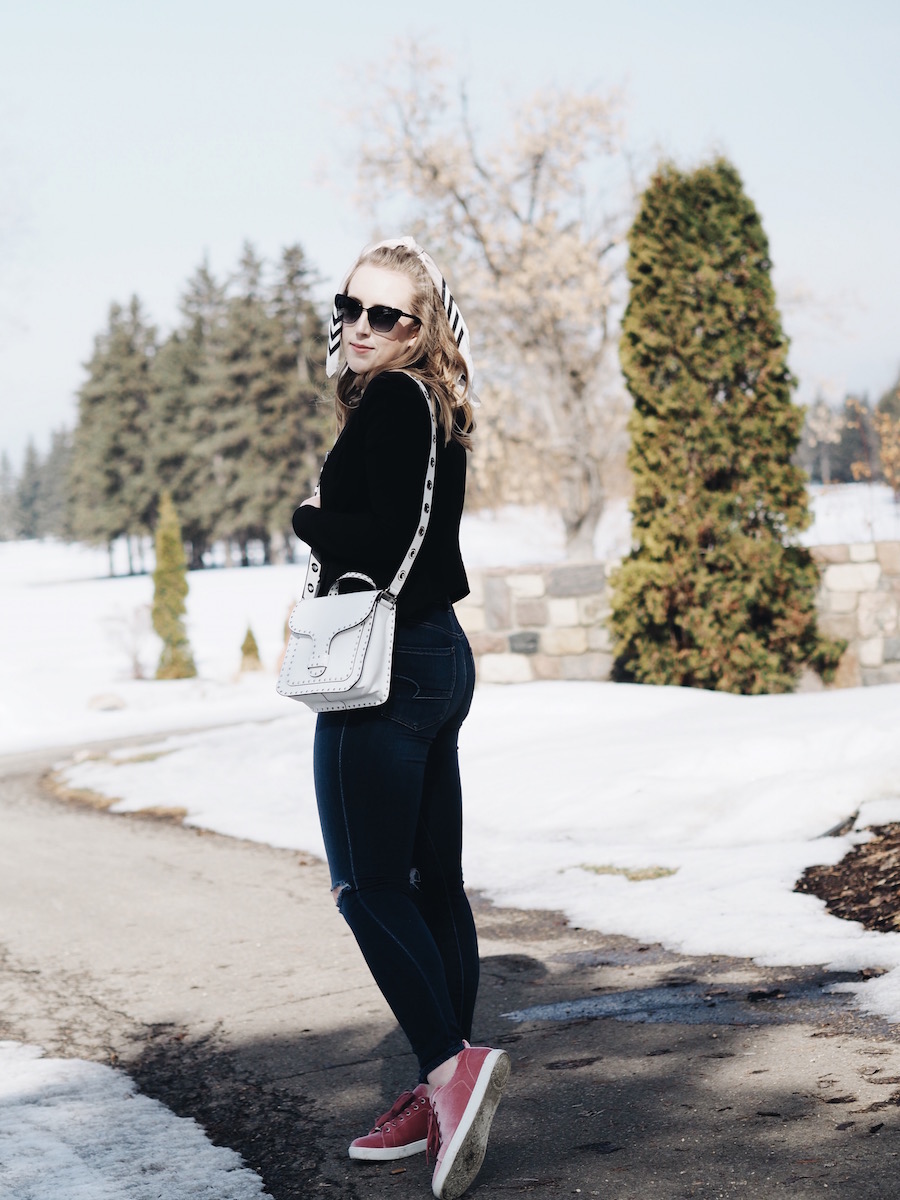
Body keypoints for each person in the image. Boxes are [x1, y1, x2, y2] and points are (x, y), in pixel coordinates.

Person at [291, 237, 510, 1200]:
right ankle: (441, 1088)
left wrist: (308, 519)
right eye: (352, 309)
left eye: (388, 316)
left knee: (365, 886)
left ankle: (447, 1069)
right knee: (430, 887)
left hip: (384, 666)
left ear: (422, 330)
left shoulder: (396, 398)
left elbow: (389, 540)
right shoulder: (435, 404)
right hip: (433, 656)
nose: (363, 329)